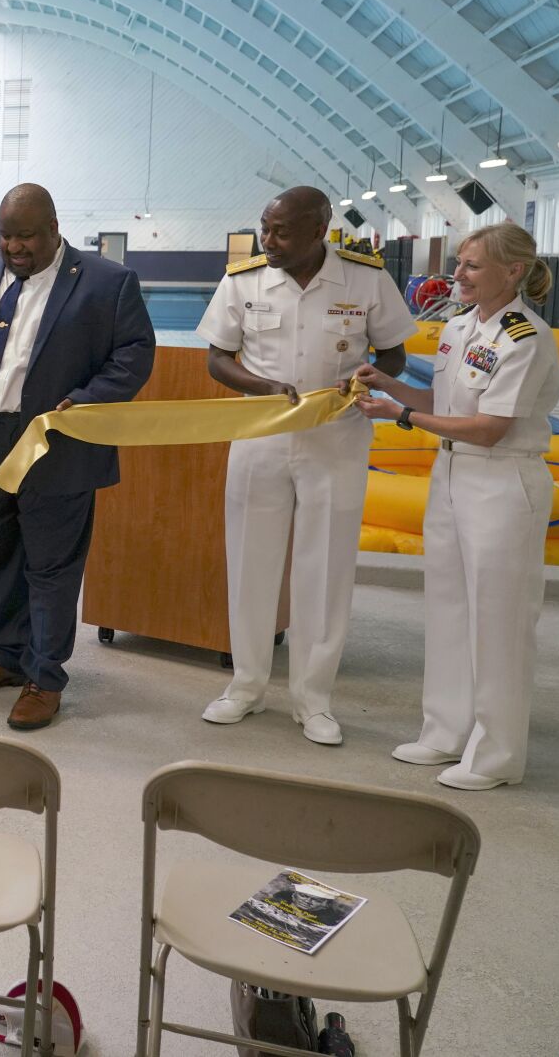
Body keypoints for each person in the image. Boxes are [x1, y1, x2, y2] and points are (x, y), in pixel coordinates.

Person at [0, 183, 154, 729]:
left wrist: (87, 402)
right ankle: (6, 654)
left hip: (57, 442)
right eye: (5, 236)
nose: (14, 247)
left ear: (54, 228)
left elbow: (134, 354)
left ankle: (45, 676)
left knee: (50, 565)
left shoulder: (107, 282)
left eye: (25, 236)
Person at [195, 187, 416, 745]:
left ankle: (314, 700)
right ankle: (245, 687)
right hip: (262, 436)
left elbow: (394, 352)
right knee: (250, 561)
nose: (268, 240)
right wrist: (264, 386)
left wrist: (368, 374)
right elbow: (218, 359)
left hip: (335, 439)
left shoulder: (365, 280)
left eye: (282, 232)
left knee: (326, 568)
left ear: (320, 230)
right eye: (265, 229)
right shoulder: (243, 280)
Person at [350, 223, 559, 791]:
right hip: (451, 475)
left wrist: (399, 417)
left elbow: (491, 429)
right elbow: (443, 402)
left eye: (471, 266)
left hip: (500, 482)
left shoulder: (526, 337)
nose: (457, 275)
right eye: (460, 263)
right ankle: (445, 730)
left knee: (500, 621)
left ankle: (495, 755)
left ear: (513, 271)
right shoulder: (460, 326)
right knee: (447, 609)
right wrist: (392, 390)